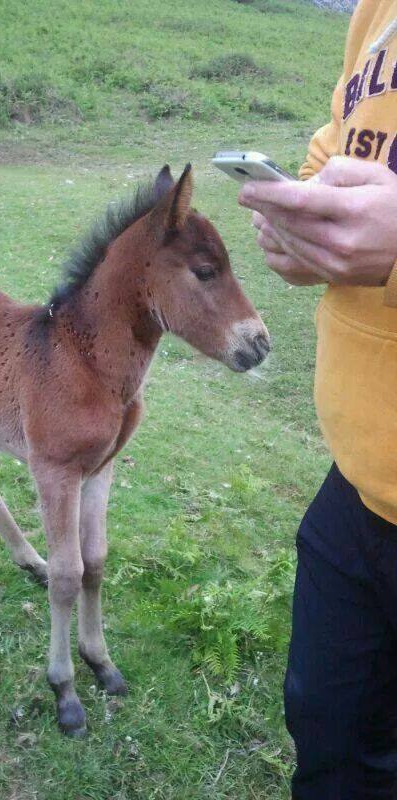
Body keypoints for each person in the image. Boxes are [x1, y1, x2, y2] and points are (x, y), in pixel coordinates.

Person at [238, 1, 397, 797]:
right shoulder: (377, 7)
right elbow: (339, 138)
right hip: (357, 486)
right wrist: (307, 215)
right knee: (328, 738)